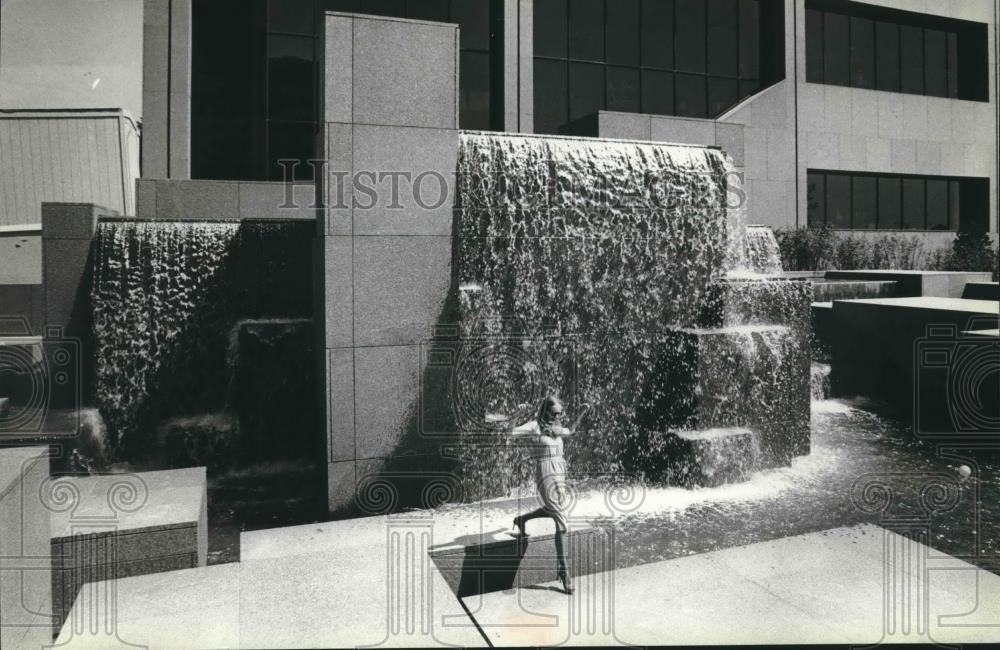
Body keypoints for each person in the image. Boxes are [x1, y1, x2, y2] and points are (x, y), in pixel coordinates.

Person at [503, 396, 590, 595]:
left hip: (559, 471)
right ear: (545, 411)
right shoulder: (535, 426)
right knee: (561, 518)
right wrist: (515, 415)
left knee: (554, 511)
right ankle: (563, 570)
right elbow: (510, 433)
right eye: (554, 413)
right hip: (545, 472)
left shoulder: (558, 428)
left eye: (560, 413)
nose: (557, 416)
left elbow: (572, 431)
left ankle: (521, 519)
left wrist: (582, 413)